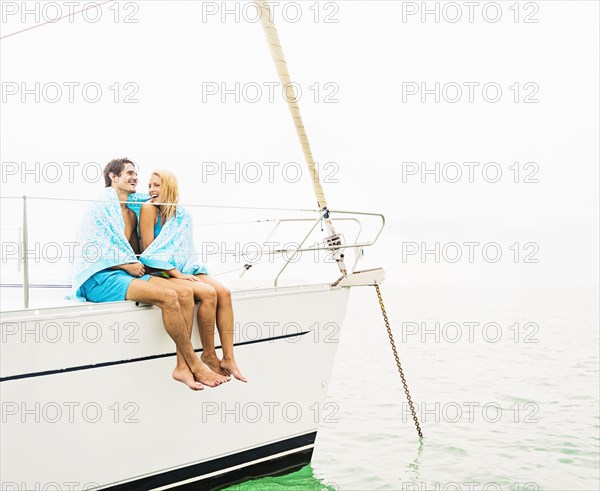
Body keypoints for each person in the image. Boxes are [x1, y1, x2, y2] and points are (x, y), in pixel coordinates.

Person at [71, 158, 229, 390]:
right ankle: (194, 363)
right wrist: (124, 265)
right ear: (113, 178)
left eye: (137, 173)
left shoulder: (132, 214)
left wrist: (154, 267)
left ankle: (181, 367)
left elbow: (135, 251)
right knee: (169, 297)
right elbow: (92, 250)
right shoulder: (101, 207)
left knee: (184, 292)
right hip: (100, 278)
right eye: (129, 173)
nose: (136, 178)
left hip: (126, 274)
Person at [138, 169, 247, 382]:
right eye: (150, 186)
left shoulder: (182, 215)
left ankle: (229, 358)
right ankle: (209, 354)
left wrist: (186, 271)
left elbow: (185, 249)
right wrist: (175, 273)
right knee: (208, 293)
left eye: (156, 185)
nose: (151, 189)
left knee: (223, 292)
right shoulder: (148, 209)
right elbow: (148, 251)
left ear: (168, 186)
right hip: (160, 269)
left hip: (183, 267)